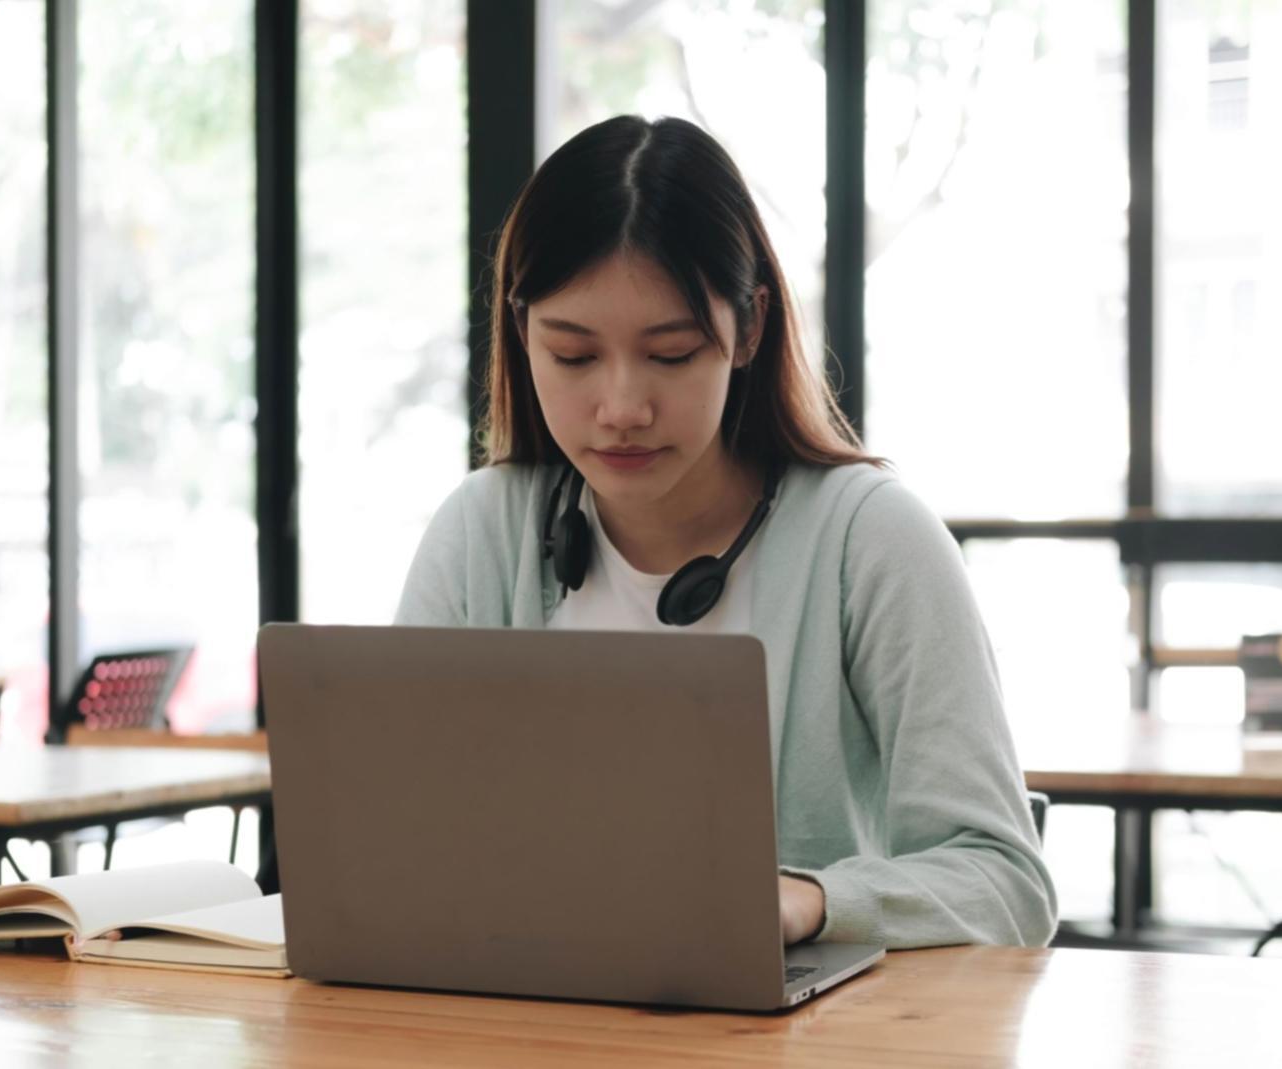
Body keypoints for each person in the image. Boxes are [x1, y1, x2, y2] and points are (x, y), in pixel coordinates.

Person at [396, 115, 1055, 949]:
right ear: (522, 333)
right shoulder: (481, 531)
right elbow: (400, 850)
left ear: (747, 329)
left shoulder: (870, 540)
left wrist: (810, 901)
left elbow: (1007, 881)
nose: (622, 407)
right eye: (572, 355)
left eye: (671, 354)